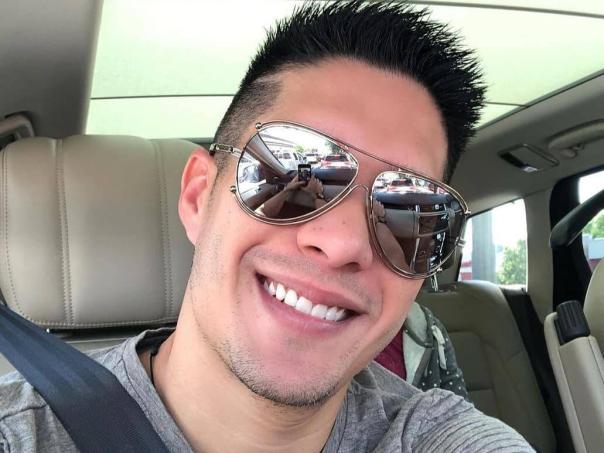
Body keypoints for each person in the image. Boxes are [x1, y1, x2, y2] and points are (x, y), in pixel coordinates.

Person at [0, 1, 534, 452]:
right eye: (291, 174)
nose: (343, 243)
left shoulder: (435, 434)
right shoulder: (23, 433)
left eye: (409, 213)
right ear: (199, 198)